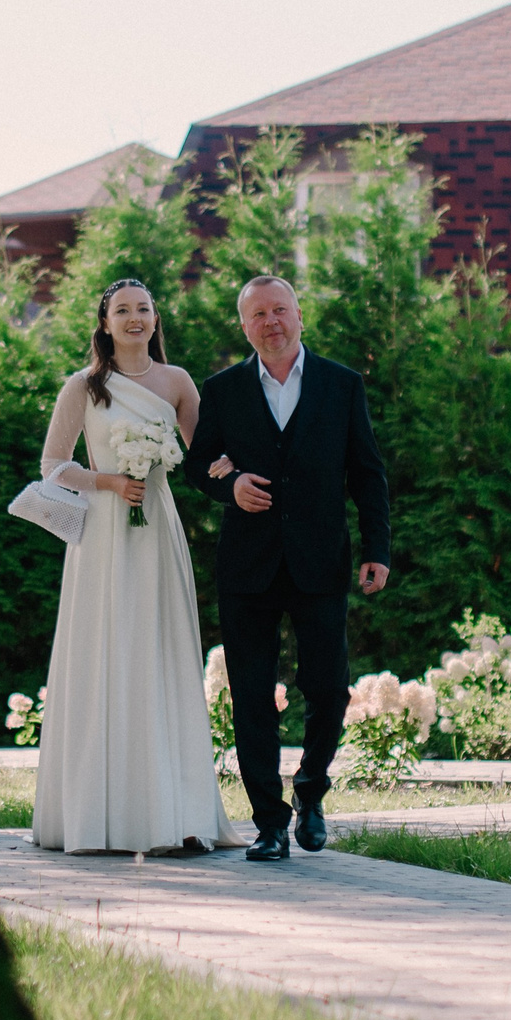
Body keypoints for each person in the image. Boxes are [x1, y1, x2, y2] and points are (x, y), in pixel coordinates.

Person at [184, 275, 392, 862]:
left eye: (280, 310)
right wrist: (232, 485)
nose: (270, 322)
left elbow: (367, 473)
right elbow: (198, 466)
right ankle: (269, 824)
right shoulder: (221, 390)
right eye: (258, 315)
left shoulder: (341, 385)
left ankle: (311, 790)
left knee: (329, 689)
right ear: (244, 326)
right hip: (247, 566)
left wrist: (378, 549)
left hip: (321, 560)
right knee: (250, 696)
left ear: (299, 316)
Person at [30, 279, 241, 854]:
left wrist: (237, 467)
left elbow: (203, 455)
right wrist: (109, 482)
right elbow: (54, 464)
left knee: (159, 651)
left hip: (157, 531)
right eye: (122, 310)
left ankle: (175, 812)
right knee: (106, 651)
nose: (134, 318)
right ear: (104, 323)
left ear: (155, 319)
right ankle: (98, 816)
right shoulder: (84, 386)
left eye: (143, 309)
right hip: (103, 535)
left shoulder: (177, 383)